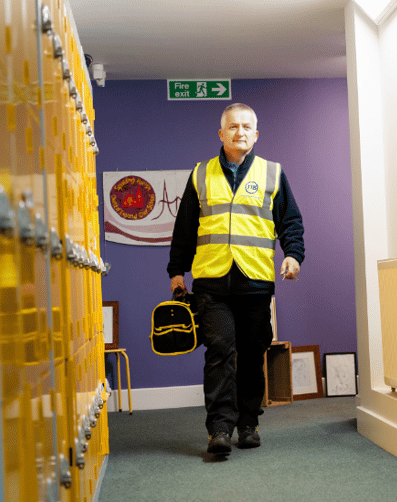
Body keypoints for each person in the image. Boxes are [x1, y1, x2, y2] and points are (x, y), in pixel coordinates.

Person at [167, 103, 305, 455]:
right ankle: (220, 429)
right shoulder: (201, 174)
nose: (239, 132)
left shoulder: (273, 173)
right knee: (219, 353)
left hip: (255, 281)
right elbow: (184, 228)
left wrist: (292, 255)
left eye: (246, 127)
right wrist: (176, 272)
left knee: (251, 354)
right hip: (212, 282)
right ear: (221, 133)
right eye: (232, 126)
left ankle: (248, 423)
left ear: (256, 134)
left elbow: (290, 221)